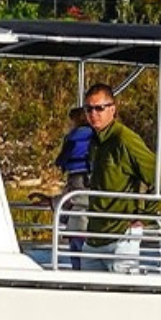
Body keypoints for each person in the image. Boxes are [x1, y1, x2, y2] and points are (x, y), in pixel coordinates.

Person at [79, 83, 157, 273]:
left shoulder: (125, 139)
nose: (93, 113)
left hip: (122, 236)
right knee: (86, 295)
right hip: (95, 236)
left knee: (124, 296)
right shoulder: (94, 141)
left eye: (99, 108)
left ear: (112, 109)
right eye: (89, 108)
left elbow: (159, 175)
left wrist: (144, 215)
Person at [52, 105, 94, 268]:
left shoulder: (73, 137)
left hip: (77, 178)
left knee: (77, 257)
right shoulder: (94, 137)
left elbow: (63, 157)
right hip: (86, 178)